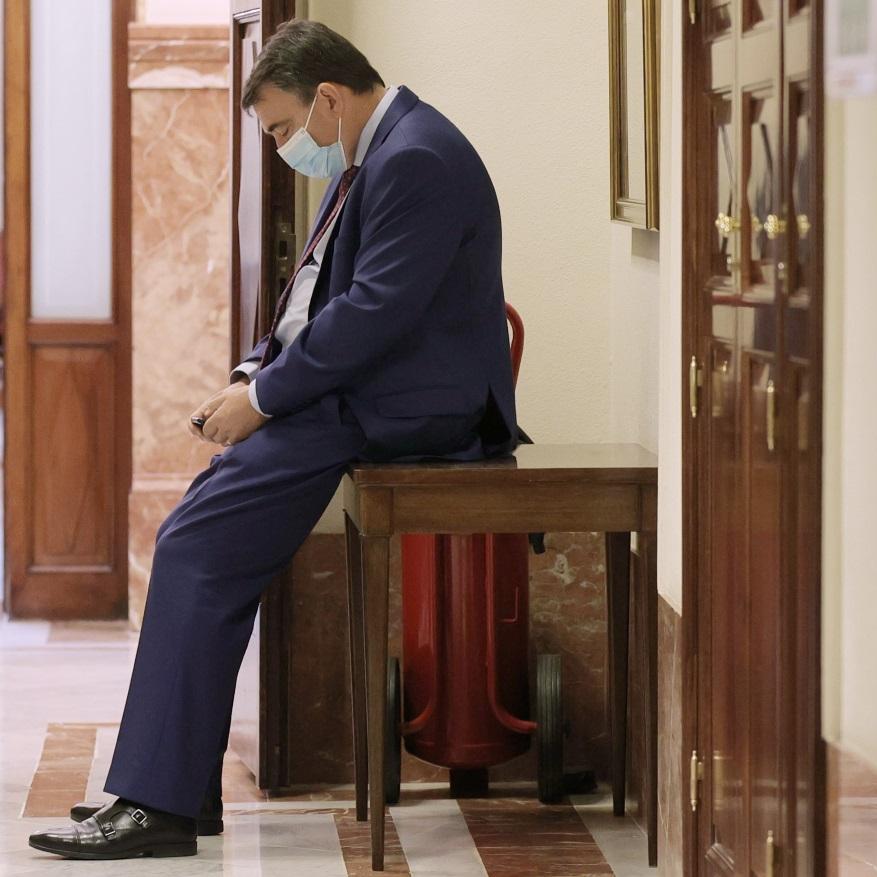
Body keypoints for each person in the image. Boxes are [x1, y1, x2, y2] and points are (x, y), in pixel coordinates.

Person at [28, 19, 518, 861]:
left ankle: (161, 804)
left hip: (407, 403)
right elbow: (314, 291)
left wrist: (263, 400)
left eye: (285, 129)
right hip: (364, 390)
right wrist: (254, 373)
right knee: (197, 533)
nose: (288, 146)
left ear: (328, 96)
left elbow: (372, 316)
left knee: (195, 543)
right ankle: (174, 792)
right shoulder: (379, 147)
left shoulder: (415, 158)